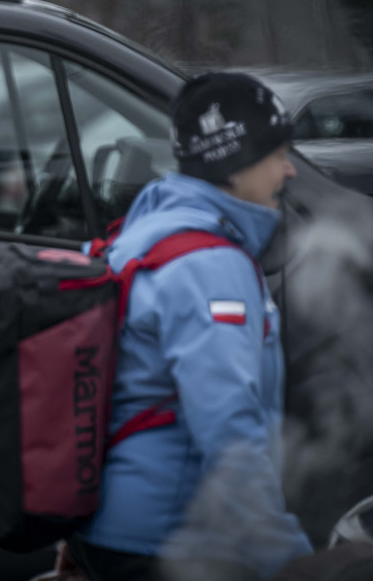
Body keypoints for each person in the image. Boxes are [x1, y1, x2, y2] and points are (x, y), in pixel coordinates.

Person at [66, 73, 313, 580]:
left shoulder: (139, 235)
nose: (288, 170)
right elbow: (230, 428)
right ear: (236, 161)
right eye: (278, 153)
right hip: (172, 538)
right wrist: (289, 558)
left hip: (109, 524)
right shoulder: (210, 266)